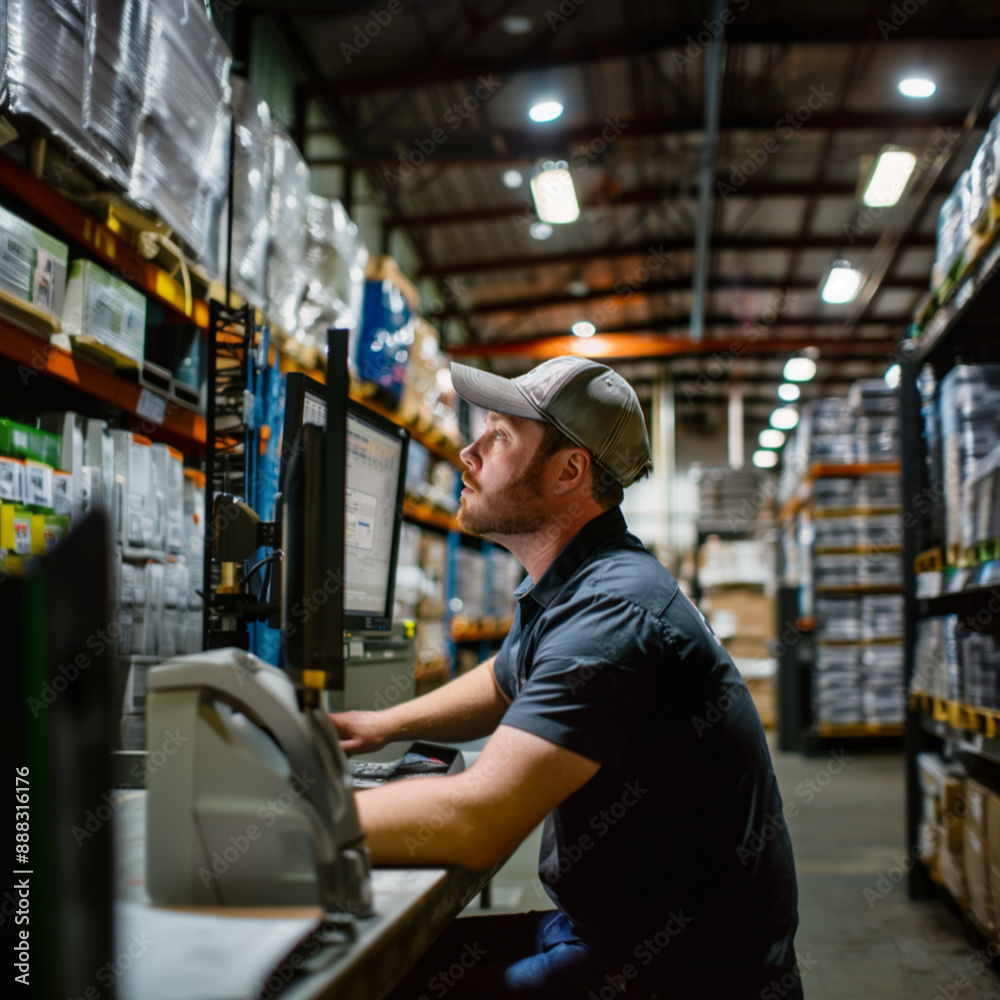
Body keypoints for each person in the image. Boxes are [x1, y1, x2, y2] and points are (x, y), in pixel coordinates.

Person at [331, 356, 802, 1000]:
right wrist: (382, 724)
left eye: (497, 436)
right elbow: (503, 681)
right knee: (395, 964)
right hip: (613, 930)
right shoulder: (582, 580)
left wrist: (297, 825)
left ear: (568, 471)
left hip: (678, 973)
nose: (467, 453)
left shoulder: (613, 610)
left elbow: (481, 819)